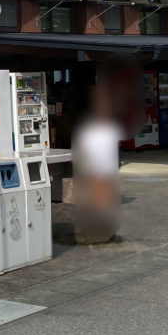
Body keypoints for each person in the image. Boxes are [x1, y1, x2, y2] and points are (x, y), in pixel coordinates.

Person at [70, 82, 122, 243]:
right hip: (101, 165)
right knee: (100, 196)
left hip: (102, 165)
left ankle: (102, 227)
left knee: (101, 195)